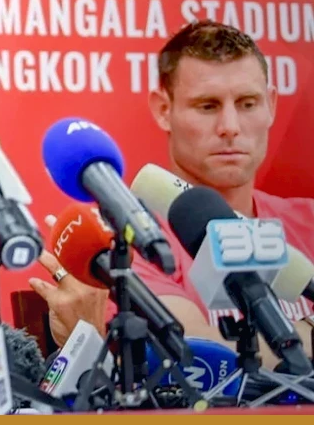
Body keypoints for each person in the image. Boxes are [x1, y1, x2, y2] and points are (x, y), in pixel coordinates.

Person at [32, 20, 314, 362]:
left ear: (271, 105)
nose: (230, 127)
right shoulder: (132, 235)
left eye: (248, 103)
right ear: (163, 109)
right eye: (207, 106)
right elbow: (198, 355)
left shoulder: (308, 219)